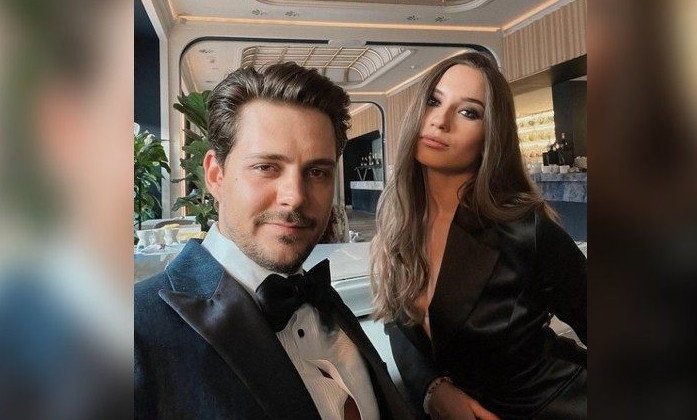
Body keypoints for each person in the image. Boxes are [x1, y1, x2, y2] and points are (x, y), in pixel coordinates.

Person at [134, 62, 414, 419]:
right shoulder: (132, 333)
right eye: (266, 167)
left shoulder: (325, 299)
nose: (294, 197)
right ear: (216, 175)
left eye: (317, 172)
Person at [369, 52, 587, 419]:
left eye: (469, 112)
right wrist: (433, 388)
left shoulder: (526, 232)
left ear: (491, 135)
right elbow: (398, 324)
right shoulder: (400, 223)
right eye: (433, 101)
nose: (440, 121)